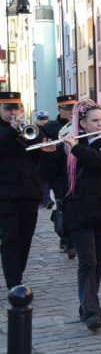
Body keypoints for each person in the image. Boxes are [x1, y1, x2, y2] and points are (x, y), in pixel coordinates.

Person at [38, 99, 101, 330]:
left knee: (99, 264)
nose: (99, 124)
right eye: (94, 121)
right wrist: (48, 153)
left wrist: (76, 148)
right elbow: (49, 175)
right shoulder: (66, 145)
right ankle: (93, 312)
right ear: (82, 123)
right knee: (88, 261)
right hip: (78, 211)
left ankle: (86, 304)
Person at [0, 92, 42, 290]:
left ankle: (17, 274)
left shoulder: (27, 129)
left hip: (29, 193)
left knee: (25, 238)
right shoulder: (6, 131)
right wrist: (11, 130)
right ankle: (14, 283)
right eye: (8, 109)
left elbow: (39, 156)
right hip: (4, 196)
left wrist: (33, 138)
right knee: (10, 238)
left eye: (16, 109)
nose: (13, 113)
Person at [43, 95, 78, 257]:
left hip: (77, 171)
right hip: (59, 173)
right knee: (63, 206)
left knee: (76, 206)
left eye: (73, 108)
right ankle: (67, 239)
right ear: (59, 110)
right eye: (67, 109)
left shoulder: (80, 125)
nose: (70, 112)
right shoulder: (51, 126)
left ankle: (71, 240)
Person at [35, 110, 54, 209]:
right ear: (37, 120)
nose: (43, 121)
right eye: (40, 119)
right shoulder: (35, 130)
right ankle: (44, 199)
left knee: (45, 180)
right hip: (37, 156)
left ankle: (46, 199)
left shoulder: (50, 129)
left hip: (47, 155)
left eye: (45, 119)